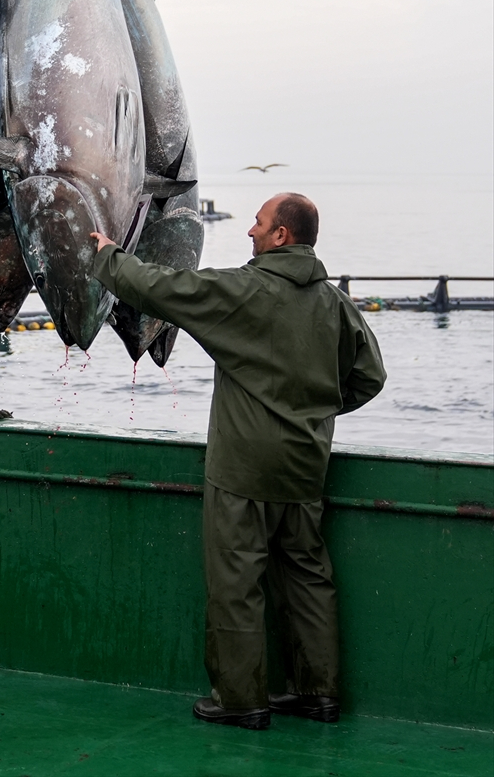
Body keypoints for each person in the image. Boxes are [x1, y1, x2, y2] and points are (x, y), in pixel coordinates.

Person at [91, 193, 386, 731]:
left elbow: (164, 289)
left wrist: (108, 255)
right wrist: (314, 408)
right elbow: (371, 377)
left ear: (281, 236)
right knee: (307, 577)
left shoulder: (245, 289)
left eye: (258, 222)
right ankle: (317, 694)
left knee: (236, 582)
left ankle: (241, 700)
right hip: (306, 465)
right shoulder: (336, 303)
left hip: (244, 465)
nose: (250, 230)